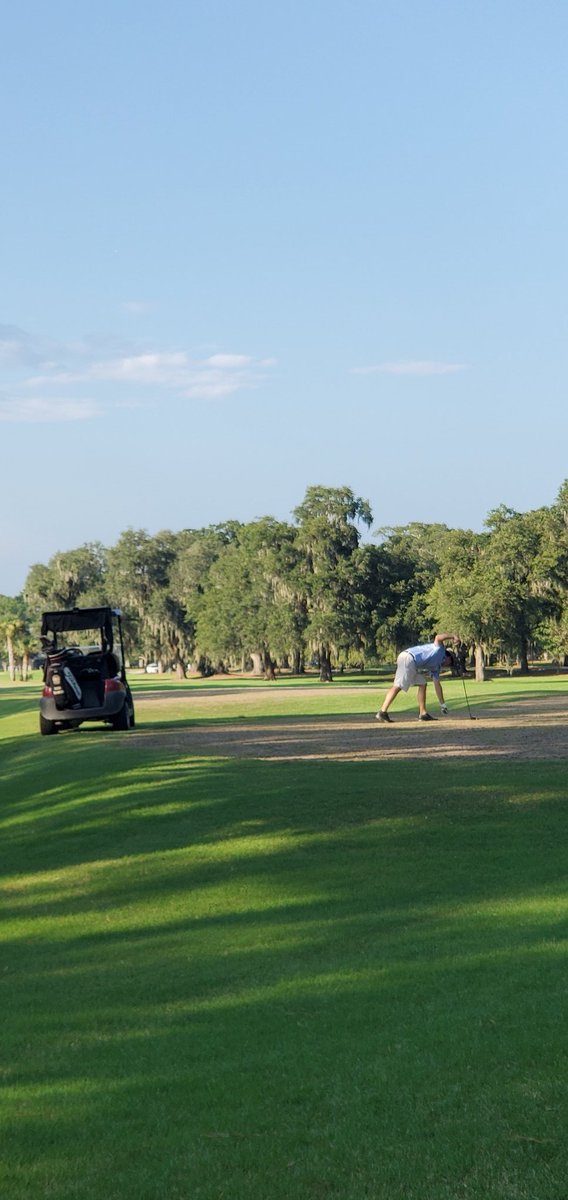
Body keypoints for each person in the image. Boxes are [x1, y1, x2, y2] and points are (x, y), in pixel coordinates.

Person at [376, 633, 458, 723]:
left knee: (422, 683)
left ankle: (423, 713)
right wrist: (453, 636)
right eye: (451, 663)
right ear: (449, 657)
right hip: (408, 658)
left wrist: (442, 704)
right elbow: (438, 637)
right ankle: (382, 711)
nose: (448, 665)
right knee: (398, 685)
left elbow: (437, 684)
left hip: (411, 662)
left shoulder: (436, 667)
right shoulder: (440, 649)